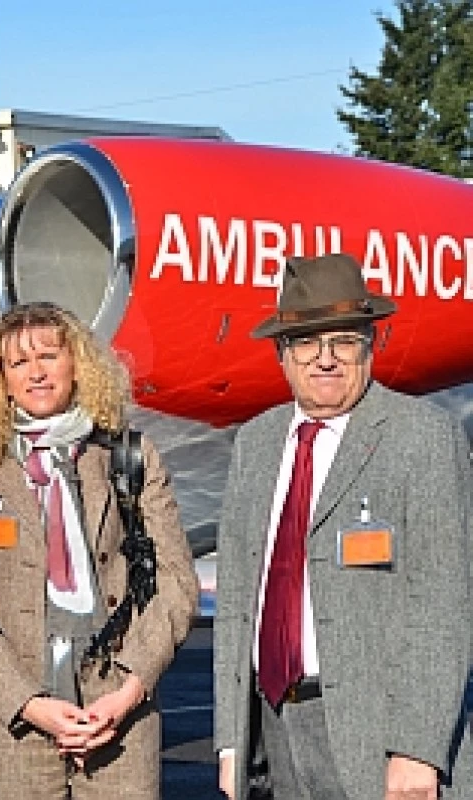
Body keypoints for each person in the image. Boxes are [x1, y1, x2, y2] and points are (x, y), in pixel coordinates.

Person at [214, 253, 472, 800]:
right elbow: (237, 597)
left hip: (379, 738)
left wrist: (417, 749)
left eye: (344, 341)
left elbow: (444, 604)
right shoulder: (255, 443)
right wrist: (230, 741)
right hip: (272, 726)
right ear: (283, 353)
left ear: (371, 344)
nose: (325, 359)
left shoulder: (423, 438)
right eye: (307, 342)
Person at [0, 301, 199, 799]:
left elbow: (177, 584)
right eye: (19, 363)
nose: (36, 374)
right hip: (16, 717)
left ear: (77, 363)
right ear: (0, 380)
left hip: (118, 706)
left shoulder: (129, 455)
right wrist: (28, 703)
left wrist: (128, 691)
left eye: (49, 357)